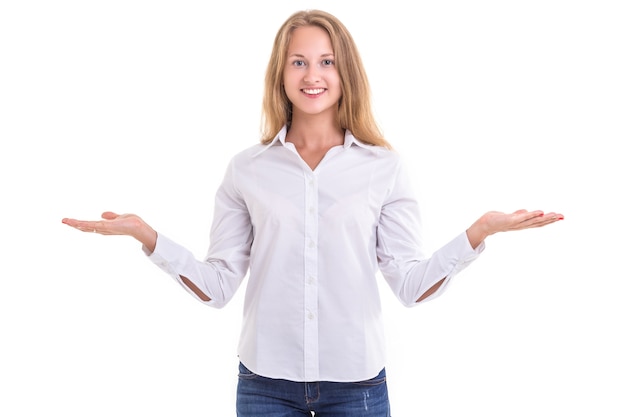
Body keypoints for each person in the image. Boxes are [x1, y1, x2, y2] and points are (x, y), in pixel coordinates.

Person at [62, 9, 564, 417]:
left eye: (326, 61)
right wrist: (146, 236)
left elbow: (410, 286)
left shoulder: (384, 168)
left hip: (357, 387)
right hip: (264, 386)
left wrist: (479, 233)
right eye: (298, 62)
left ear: (345, 73)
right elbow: (217, 288)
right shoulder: (246, 170)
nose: (313, 75)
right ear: (280, 74)